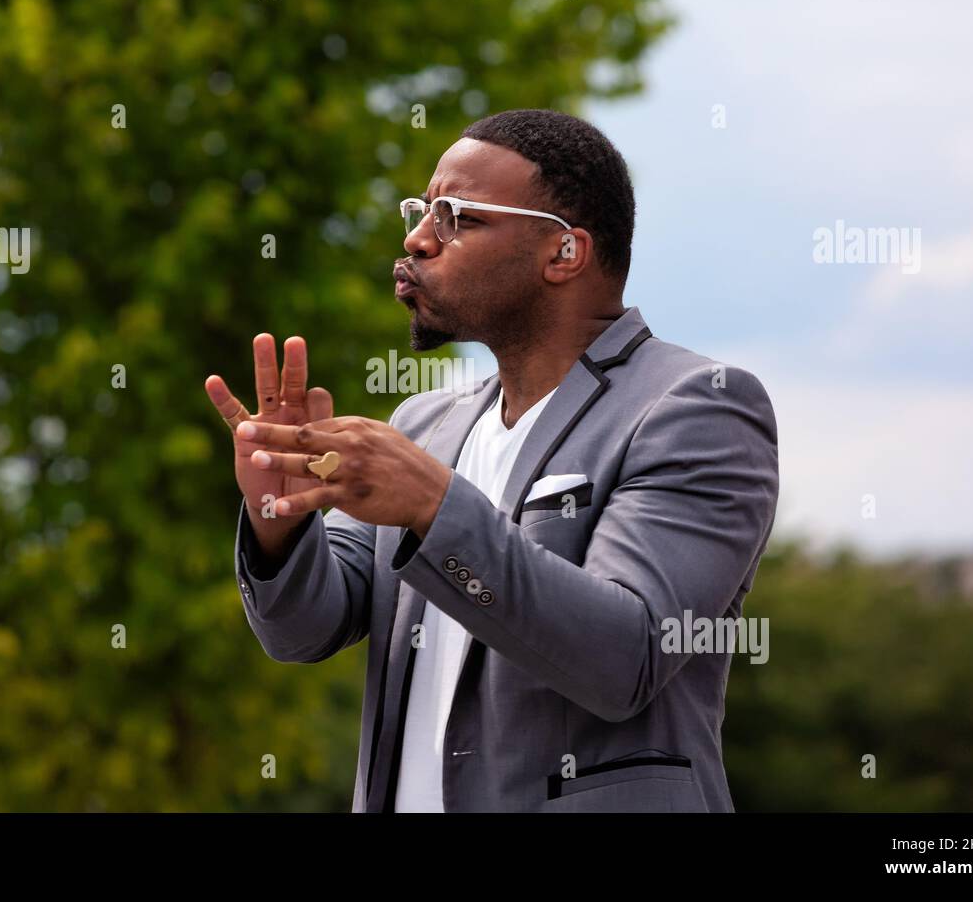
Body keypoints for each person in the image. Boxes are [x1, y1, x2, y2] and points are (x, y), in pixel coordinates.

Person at [205, 108, 779, 812]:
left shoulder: (696, 410)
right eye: (422, 211)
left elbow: (624, 656)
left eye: (456, 217)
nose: (417, 238)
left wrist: (435, 507)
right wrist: (281, 520)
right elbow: (303, 632)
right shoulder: (424, 423)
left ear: (563, 253)